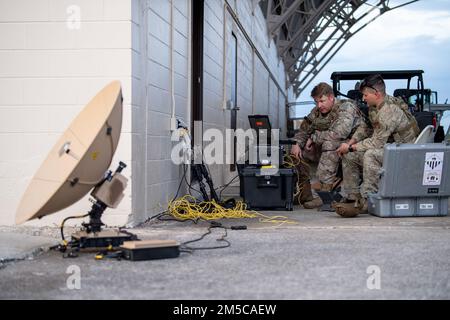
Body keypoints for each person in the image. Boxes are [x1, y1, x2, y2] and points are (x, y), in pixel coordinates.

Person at [333, 74, 420, 217]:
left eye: (365, 95)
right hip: (392, 149)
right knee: (350, 156)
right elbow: (366, 128)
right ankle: (353, 198)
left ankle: (369, 199)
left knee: (371, 154)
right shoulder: (375, 107)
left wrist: (349, 147)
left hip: (404, 154)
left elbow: (376, 142)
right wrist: (350, 143)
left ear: (377, 94)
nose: (363, 98)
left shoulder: (389, 110)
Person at [291, 82, 364, 209]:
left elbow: (338, 133)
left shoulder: (346, 107)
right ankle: (304, 193)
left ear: (331, 97)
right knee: (295, 151)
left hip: (353, 145)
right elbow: (304, 130)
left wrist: (313, 138)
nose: (319, 105)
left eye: (322, 101)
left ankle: (324, 195)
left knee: (329, 144)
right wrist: (297, 143)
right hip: (333, 146)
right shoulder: (317, 112)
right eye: (316, 102)